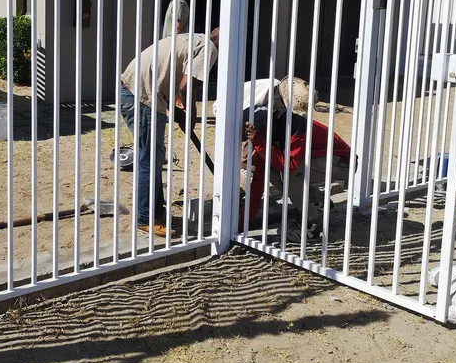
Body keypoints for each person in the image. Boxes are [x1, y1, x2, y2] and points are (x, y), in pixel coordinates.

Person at [120, 29, 220, 237]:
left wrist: (177, 110)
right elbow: (185, 87)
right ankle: (144, 218)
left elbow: (173, 77)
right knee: (149, 160)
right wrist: (190, 114)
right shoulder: (209, 49)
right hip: (142, 95)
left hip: (137, 90)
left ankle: (156, 212)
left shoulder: (195, 39)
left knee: (155, 158)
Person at [242, 82, 353, 243]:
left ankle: (309, 227)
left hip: (343, 163)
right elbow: (262, 174)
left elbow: (289, 165)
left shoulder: (294, 127)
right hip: (325, 160)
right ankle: (318, 201)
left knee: (292, 171)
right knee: (274, 169)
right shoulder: (277, 122)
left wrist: (259, 142)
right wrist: (242, 222)